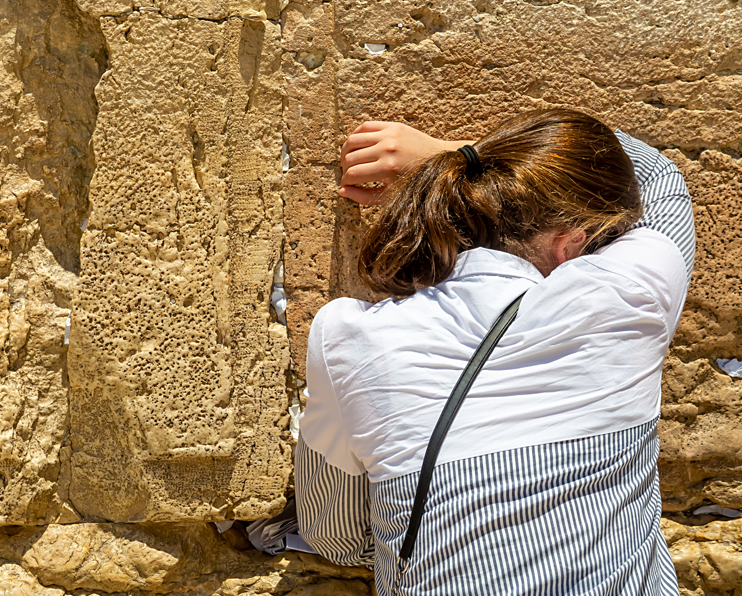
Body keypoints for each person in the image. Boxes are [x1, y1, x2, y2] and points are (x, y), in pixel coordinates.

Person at [294, 109, 693, 596]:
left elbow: (333, 537)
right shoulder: (626, 297)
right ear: (569, 245)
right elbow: (660, 179)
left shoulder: (347, 335)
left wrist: (474, 166)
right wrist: (448, 153)